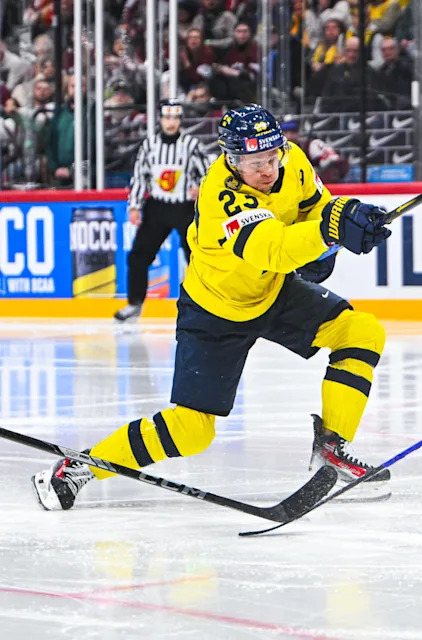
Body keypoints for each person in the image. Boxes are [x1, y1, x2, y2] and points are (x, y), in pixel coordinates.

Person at [33, 104, 393, 511]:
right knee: (192, 431)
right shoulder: (220, 194)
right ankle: (80, 467)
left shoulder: (291, 161)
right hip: (214, 311)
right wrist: (332, 228)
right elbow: (273, 250)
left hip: (272, 293)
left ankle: (331, 451)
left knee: (361, 331)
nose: (268, 170)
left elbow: (316, 208)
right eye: (255, 163)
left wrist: (341, 219)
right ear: (231, 159)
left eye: (272, 157)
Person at [114, 100, 210, 324]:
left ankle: (205, 304)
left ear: (180, 120)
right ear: (160, 119)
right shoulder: (150, 145)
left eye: (175, 118)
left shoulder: (191, 144)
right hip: (157, 206)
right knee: (138, 256)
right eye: (167, 117)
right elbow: (140, 176)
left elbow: (209, 171)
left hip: (185, 207)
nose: (171, 122)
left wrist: (200, 188)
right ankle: (134, 303)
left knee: (196, 257)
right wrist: (135, 206)